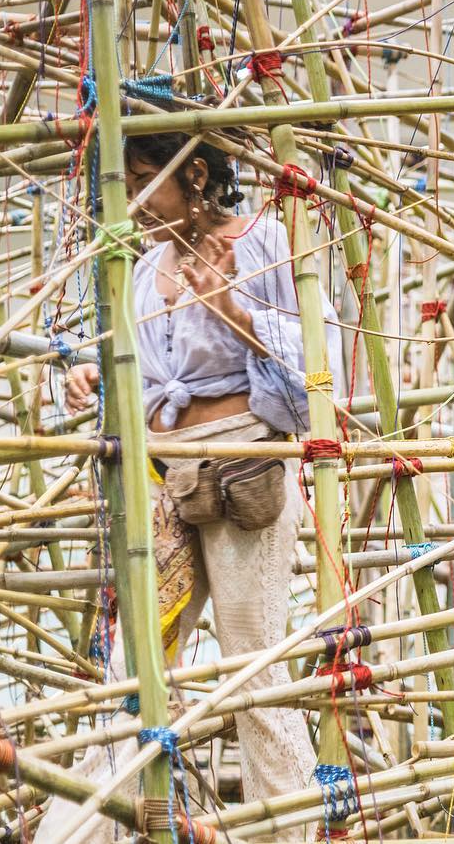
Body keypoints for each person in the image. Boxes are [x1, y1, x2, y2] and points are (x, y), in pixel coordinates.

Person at [44, 132, 341, 842]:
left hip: (244, 475)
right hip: (166, 486)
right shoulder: (146, 270)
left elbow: (320, 362)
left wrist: (236, 311)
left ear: (196, 174)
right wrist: (94, 379)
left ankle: (290, 832)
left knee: (253, 666)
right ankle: (81, 829)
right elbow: (140, 378)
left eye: (147, 181)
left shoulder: (265, 245)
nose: (137, 203)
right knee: (137, 667)